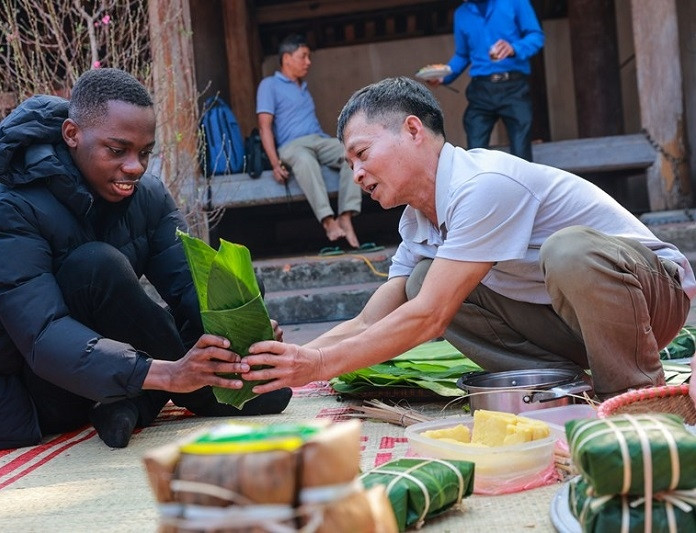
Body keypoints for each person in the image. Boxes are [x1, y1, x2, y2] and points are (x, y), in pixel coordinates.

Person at [241, 76, 696, 402]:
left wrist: (322, 367)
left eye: (362, 153)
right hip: (570, 323)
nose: (357, 173)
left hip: (651, 300)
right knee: (421, 281)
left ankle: (634, 397)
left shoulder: (482, 184)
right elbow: (369, 321)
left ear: (413, 130)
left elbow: (430, 317)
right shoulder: (416, 222)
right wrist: (294, 358)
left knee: (567, 251)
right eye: (350, 163)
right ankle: (558, 386)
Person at [0, 68, 291, 450]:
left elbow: (190, 285)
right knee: (96, 266)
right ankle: (173, 392)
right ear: (72, 134)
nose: (135, 166)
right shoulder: (12, 209)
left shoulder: (148, 197)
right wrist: (168, 374)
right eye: (118, 151)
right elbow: (42, 335)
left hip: (101, 371)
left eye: (145, 152)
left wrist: (246, 329)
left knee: (230, 290)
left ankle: (133, 402)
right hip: (19, 389)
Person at [256, 33, 362, 248]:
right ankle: (328, 221)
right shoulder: (269, 85)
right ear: (287, 58)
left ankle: (346, 216)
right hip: (292, 146)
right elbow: (264, 127)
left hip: (318, 141)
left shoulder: (303, 87)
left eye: (308, 57)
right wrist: (275, 164)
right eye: (303, 56)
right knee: (305, 161)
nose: (308, 62)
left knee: (352, 152)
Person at [426, 0, 544, 161]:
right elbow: (462, 55)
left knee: (520, 148)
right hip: (481, 88)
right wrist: (444, 76)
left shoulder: (516, 2)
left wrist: (514, 48)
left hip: (514, 86)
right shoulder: (461, 13)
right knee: (476, 149)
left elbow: (536, 36)